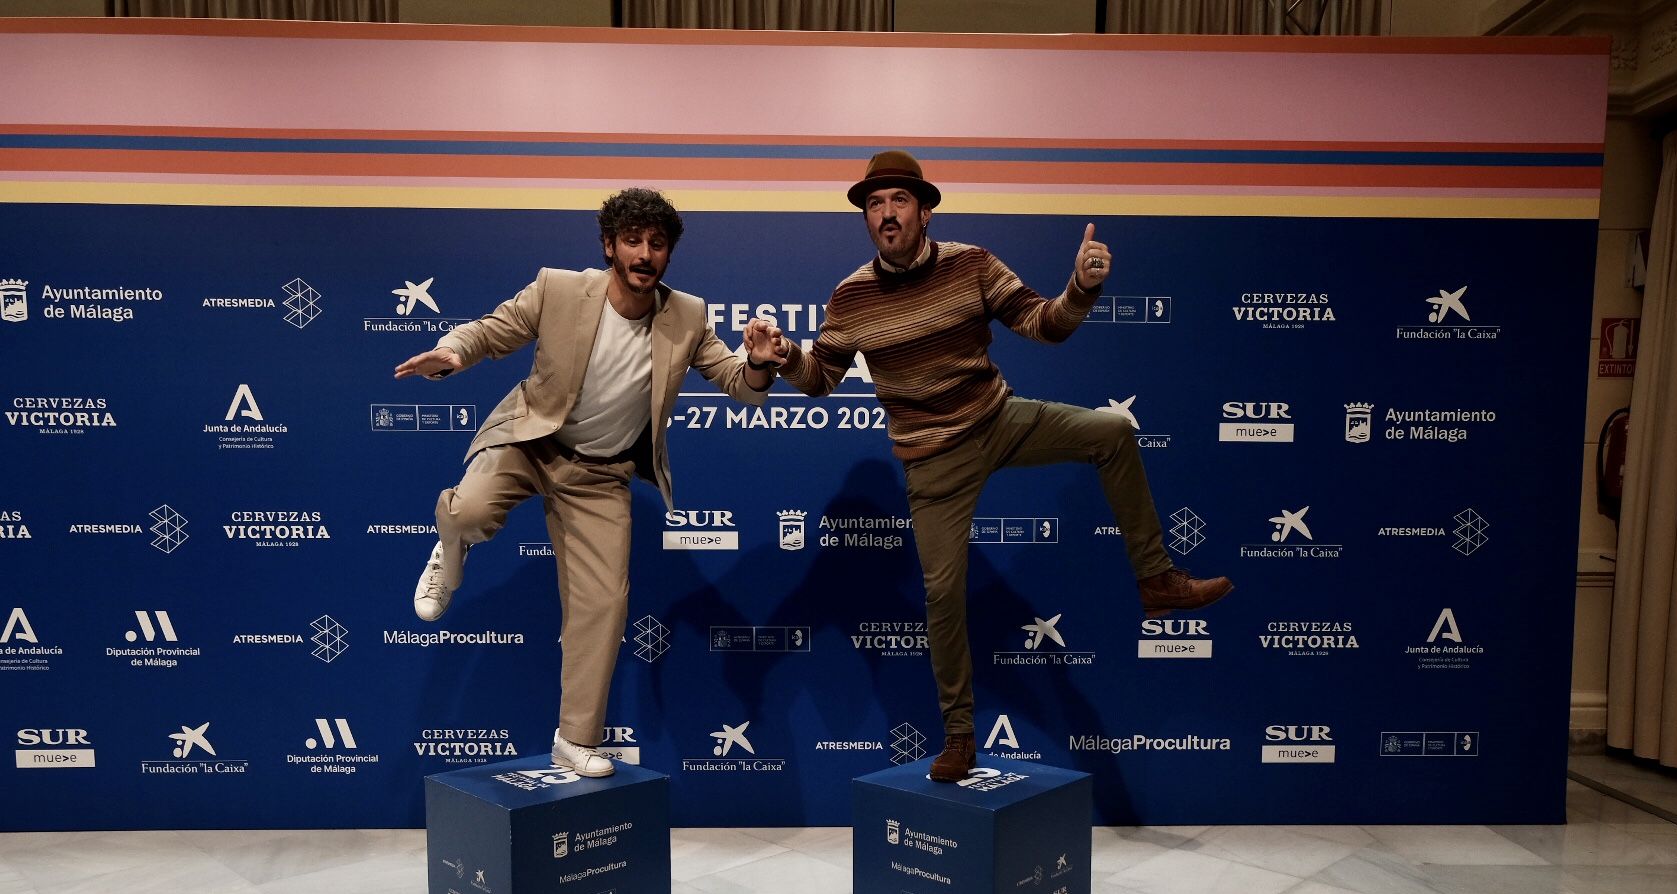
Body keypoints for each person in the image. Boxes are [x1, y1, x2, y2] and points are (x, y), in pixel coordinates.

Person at [770, 151, 1233, 782]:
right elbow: (820, 378)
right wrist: (784, 355)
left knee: (1113, 432)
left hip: (999, 420)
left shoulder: (972, 263)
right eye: (874, 204)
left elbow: (1046, 325)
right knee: (941, 593)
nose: (885, 214)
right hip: (931, 457)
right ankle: (960, 737)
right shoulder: (852, 295)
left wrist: (1082, 288)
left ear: (924, 210)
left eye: (898, 201)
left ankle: (1157, 581)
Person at [394, 187, 783, 777]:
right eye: (633, 241)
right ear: (609, 246)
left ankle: (574, 739)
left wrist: (757, 362)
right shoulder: (558, 289)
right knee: (468, 512)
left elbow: (740, 383)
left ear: (668, 254)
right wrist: (450, 352)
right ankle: (450, 552)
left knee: (603, 603)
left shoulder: (688, 317)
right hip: (531, 441)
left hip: (601, 475)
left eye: (657, 244)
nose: (645, 254)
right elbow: (492, 330)